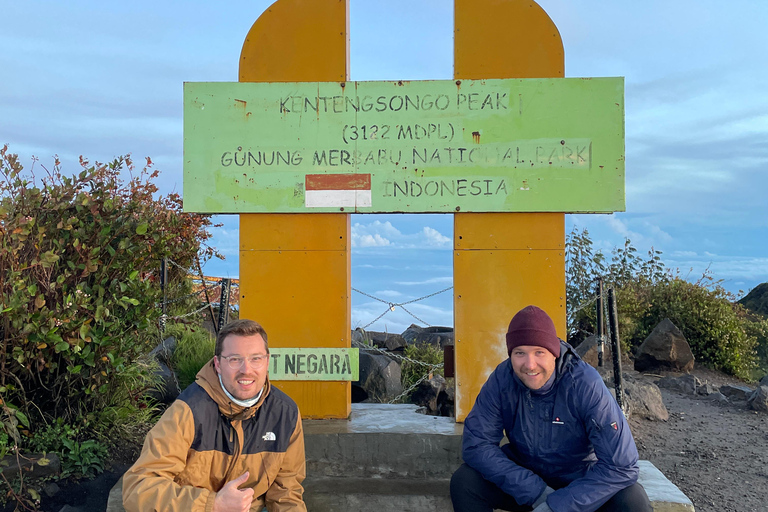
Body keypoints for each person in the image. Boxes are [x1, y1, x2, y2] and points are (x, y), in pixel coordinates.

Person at [451, 305, 652, 512]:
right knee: (465, 481)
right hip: (525, 482)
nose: (530, 365)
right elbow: (477, 444)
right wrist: (537, 493)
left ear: (554, 353)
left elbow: (621, 465)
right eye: (520, 353)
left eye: (539, 352)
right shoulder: (502, 379)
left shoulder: (585, 384)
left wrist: (559, 505)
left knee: (633, 500)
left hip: (580, 484)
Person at [123, 319, 307, 512]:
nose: (246, 369)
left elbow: (286, 495)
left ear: (267, 361)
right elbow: (138, 490)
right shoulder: (188, 411)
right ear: (218, 364)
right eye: (235, 359)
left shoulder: (285, 414)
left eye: (256, 358)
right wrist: (213, 504)